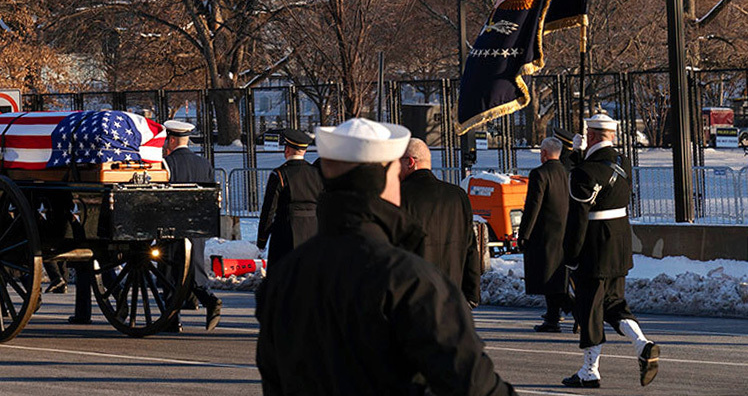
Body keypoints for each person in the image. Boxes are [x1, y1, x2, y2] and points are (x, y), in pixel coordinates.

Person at [256, 117, 514, 396]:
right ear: (381, 180)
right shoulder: (409, 279)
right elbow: (474, 385)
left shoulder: (284, 278)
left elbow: (275, 380)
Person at [561, 112, 659, 389]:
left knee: (589, 308)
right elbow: (596, 172)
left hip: (594, 247)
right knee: (615, 303)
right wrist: (579, 155)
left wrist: (571, 255)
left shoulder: (585, 172)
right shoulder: (622, 162)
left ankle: (589, 370)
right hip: (619, 243)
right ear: (611, 135)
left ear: (590, 135)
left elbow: (578, 217)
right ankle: (642, 345)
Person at [399, 137, 482, 307]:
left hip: (412, 298)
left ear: (410, 162)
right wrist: (472, 293)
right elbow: (470, 247)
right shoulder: (457, 196)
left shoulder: (397, 196)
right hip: (452, 296)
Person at [160, 119, 222, 331]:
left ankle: (171, 319)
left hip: (171, 226)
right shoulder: (204, 164)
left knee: (168, 273)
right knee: (194, 270)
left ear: (172, 139)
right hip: (195, 226)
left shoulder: (167, 164)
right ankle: (208, 299)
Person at [518, 136, 572, 332]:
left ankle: (572, 311)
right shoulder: (566, 172)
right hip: (564, 231)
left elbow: (533, 206)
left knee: (547, 277)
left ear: (544, 153)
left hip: (544, 234)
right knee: (555, 276)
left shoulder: (539, 174)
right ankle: (552, 317)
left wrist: (524, 233)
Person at [255, 128, 324, 268]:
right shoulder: (316, 173)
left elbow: (269, 209)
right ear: (304, 151)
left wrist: (262, 239)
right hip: (313, 230)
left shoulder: (279, 174)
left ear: (287, 150)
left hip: (285, 231)